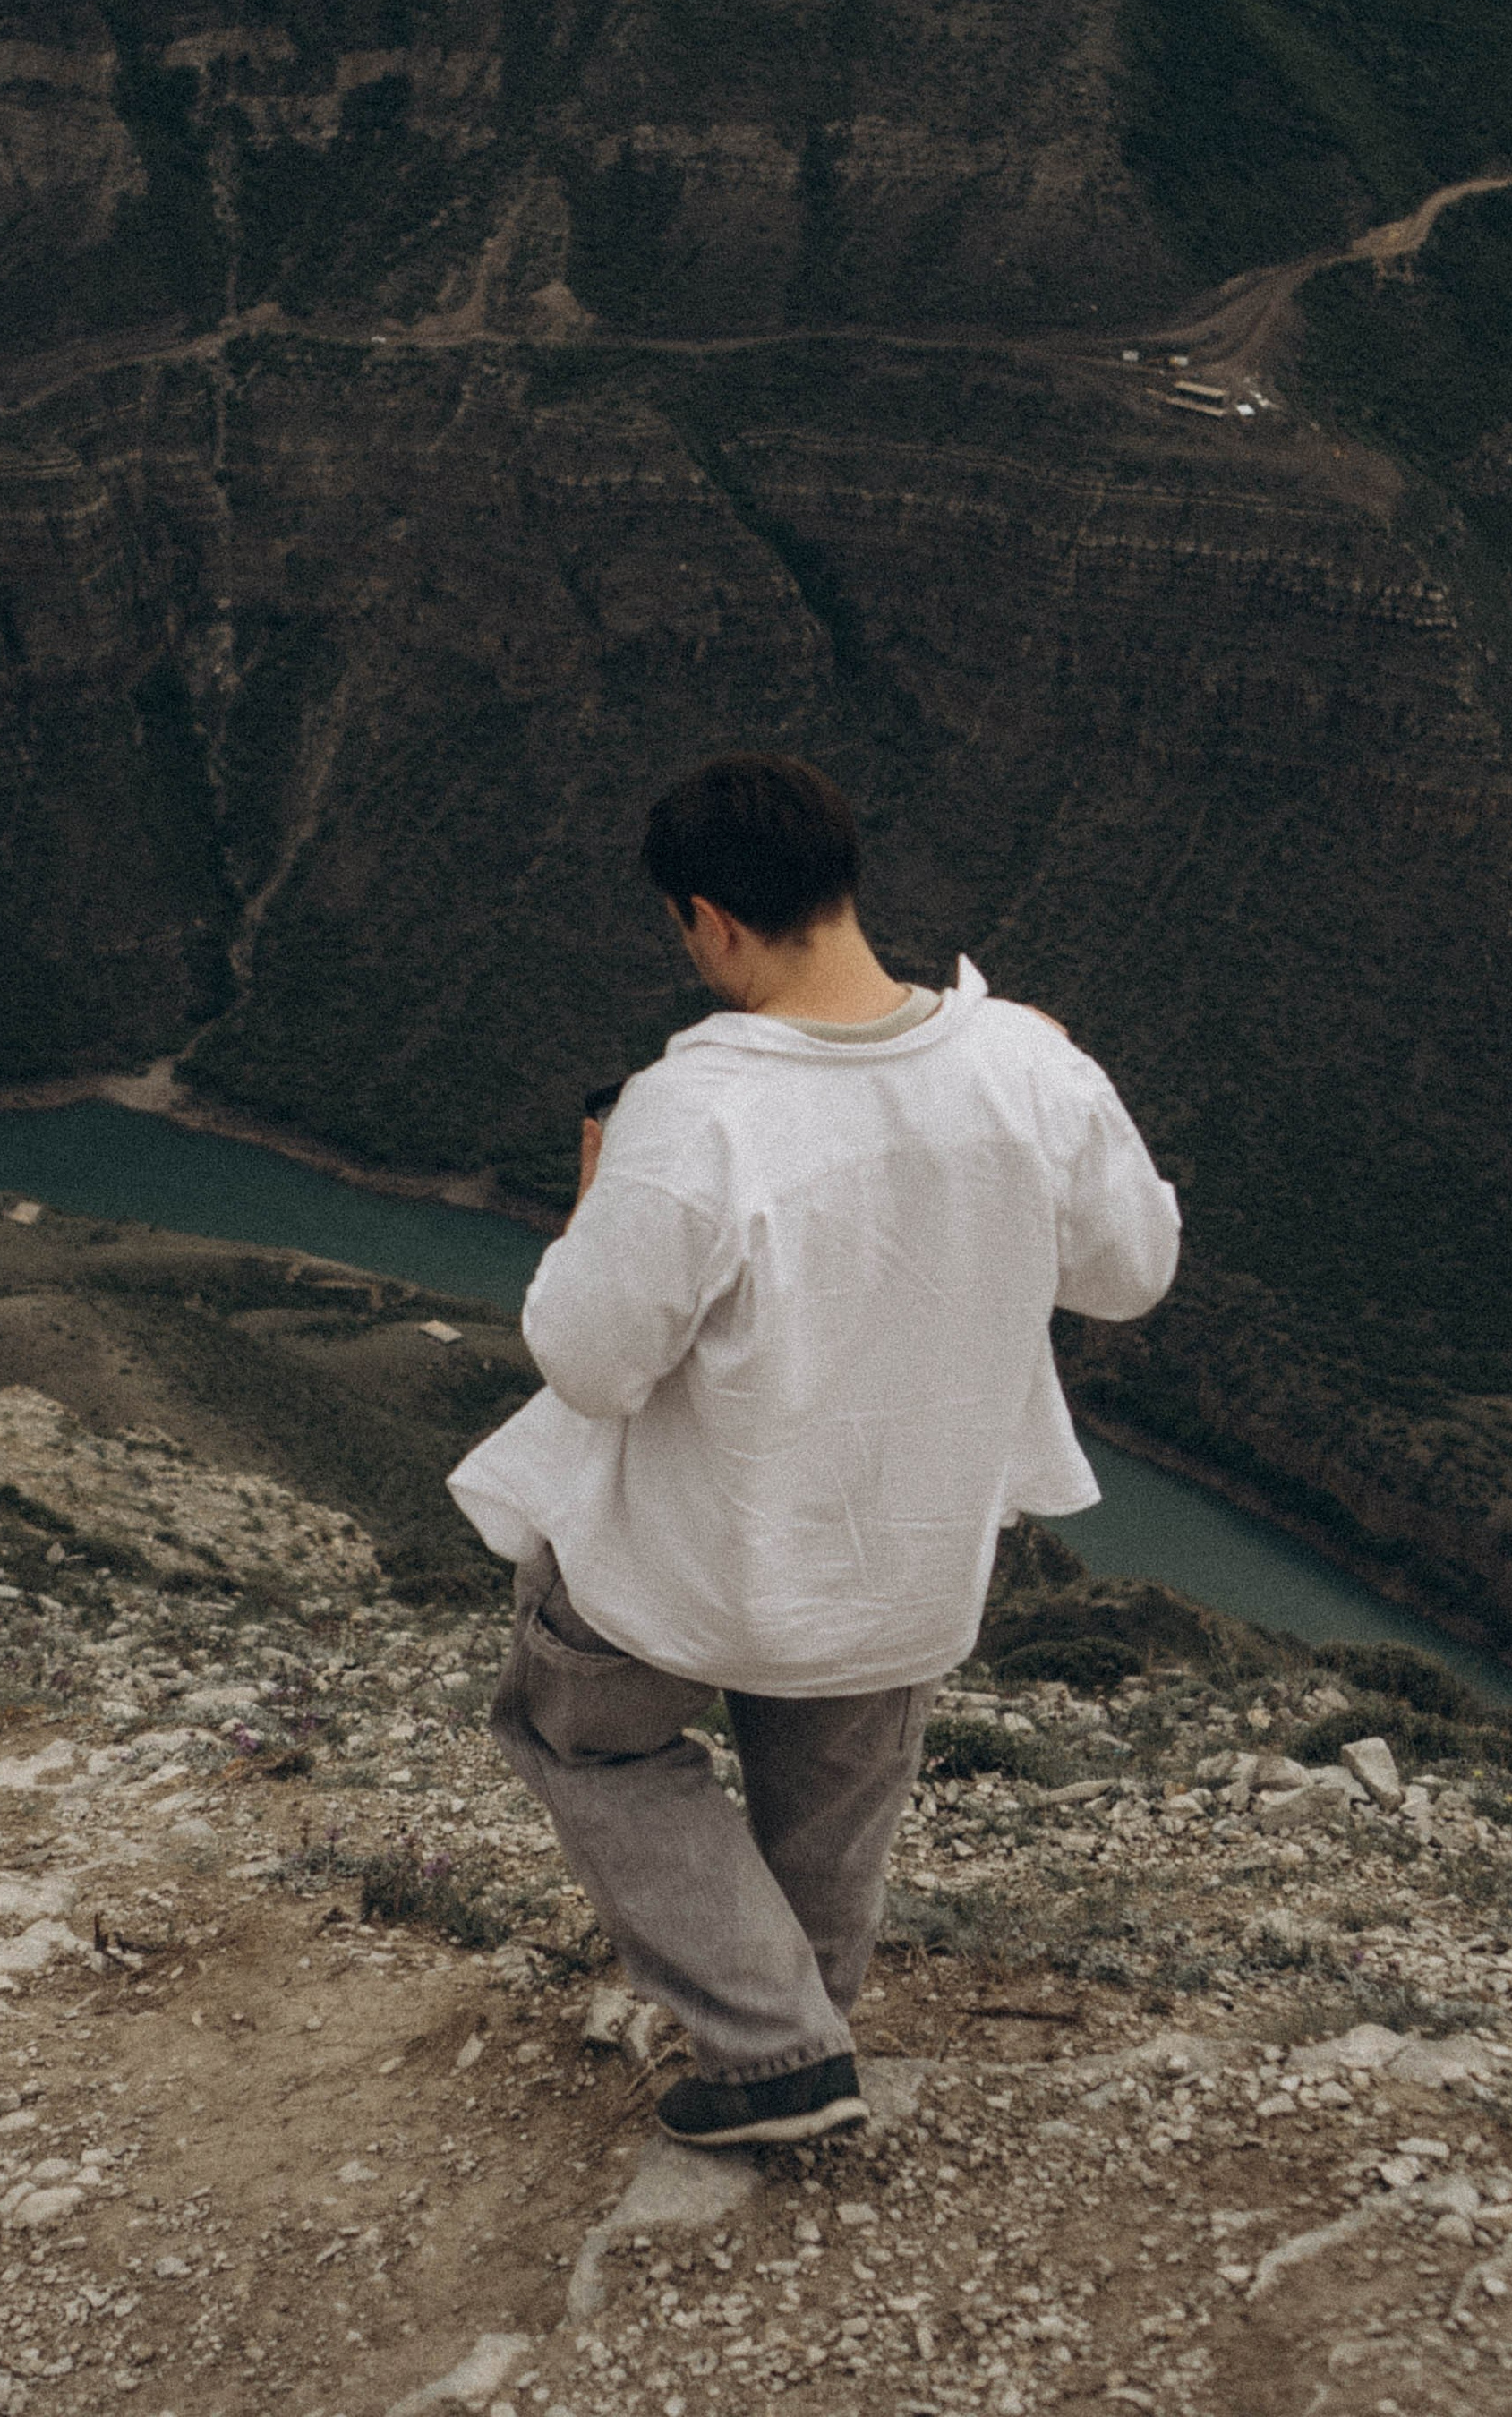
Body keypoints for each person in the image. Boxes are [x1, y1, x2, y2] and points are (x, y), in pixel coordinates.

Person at [448, 752, 1181, 2148]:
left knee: (582, 1735)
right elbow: (1130, 1271)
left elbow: (593, 1360)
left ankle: (777, 2047)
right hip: (900, 1571)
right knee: (832, 1794)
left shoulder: (697, 1106)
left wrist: (591, 1215)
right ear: (845, 882)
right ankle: (803, 2030)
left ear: (708, 921)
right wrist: (1065, 1088)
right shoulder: (1026, 1062)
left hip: (696, 1560)